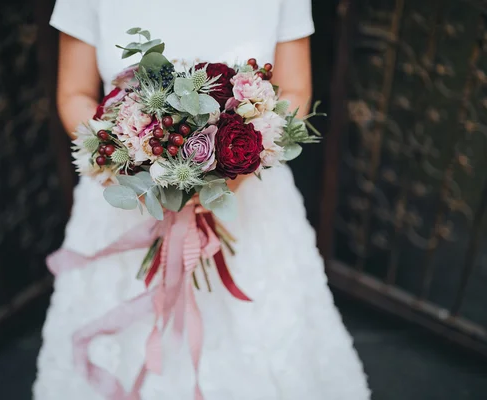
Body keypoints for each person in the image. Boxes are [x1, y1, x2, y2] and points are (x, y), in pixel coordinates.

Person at [33, 0, 371, 399]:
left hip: (250, 203)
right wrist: (137, 165)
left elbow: (295, 90)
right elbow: (74, 94)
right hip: (126, 195)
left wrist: (232, 174)